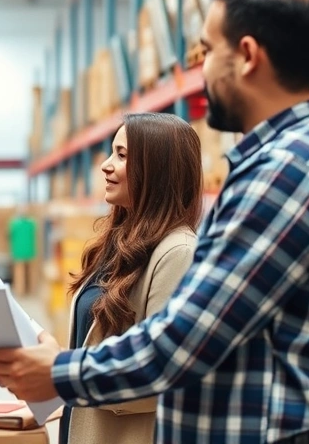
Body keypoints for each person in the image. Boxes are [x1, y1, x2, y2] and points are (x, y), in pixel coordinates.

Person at [0, 0, 309, 443]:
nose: (200, 68)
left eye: (208, 50)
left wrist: (61, 372)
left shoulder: (288, 173)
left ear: (246, 56)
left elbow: (184, 341)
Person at [57, 113, 201, 444]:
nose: (106, 165)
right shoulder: (119, 243)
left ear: (157, 170)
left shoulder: (178, 253)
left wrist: (64, 374)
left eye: (121, 155)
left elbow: (164, 374)